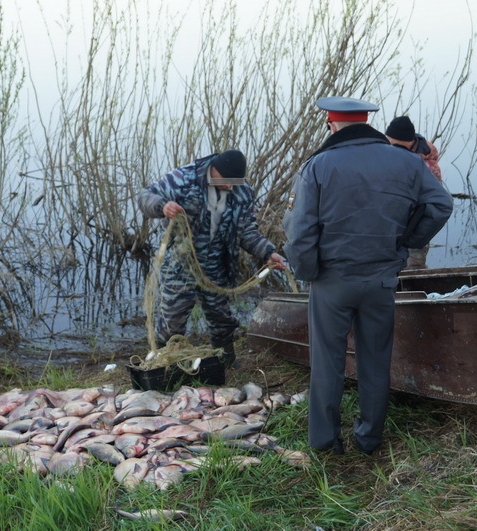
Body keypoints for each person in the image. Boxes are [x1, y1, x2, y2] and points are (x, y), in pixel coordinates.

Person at [282, 97, 453, 456]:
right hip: (381, 277)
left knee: (327, 361)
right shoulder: (407, 161)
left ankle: (326, 442)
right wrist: (406, 244)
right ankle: (369, 438)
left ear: (331, 125)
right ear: (367, 123)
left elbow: (299, 233)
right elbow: (440, 205)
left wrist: (309, 271)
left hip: (332, 279)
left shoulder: (317, 166)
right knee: (375, 358)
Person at [138, 149, 286, 368]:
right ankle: (164, 364)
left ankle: (225, 361)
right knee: (172, 322)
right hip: (180, 265)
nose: (229, 186)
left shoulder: (243, 192)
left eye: (234, 182)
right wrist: (163, 206)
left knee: (222, 319)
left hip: (217, 266)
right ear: (214, 170)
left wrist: (267, 252)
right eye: (226, 181)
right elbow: (145, 196)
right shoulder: (184, 178)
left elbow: (247, 231)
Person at [385, 115, 444, 269]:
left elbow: (438, 205)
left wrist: (418, 235)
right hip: (392, 228)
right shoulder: (395, 156)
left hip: (414, 229)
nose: (388, 144)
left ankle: (415, 291)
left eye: (390, 140)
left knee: (413, 268)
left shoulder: (427, 166)